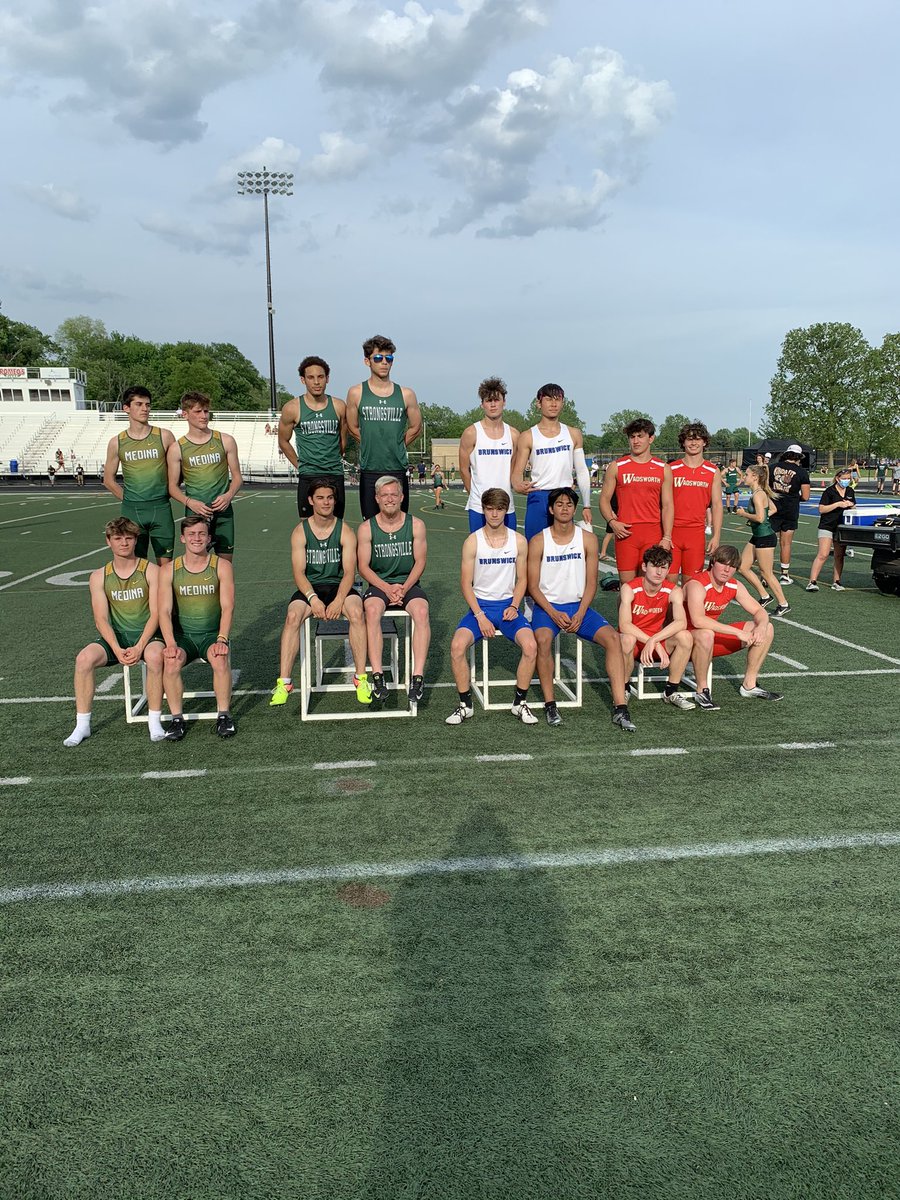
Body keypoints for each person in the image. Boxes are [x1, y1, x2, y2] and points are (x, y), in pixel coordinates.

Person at [527, 487, 633, 731]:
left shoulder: (587, 539)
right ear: (551, 509)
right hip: (548, 609)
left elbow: (592, 583)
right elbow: (532, 586)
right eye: (560, 504)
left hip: (579, 607)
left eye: (569, 504)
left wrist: (581, 612)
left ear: (575, 509)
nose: (564, 508)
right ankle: (550, 704)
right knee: (542, 640)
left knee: (613, 639)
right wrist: (553, 613)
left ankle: (620, 707)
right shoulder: (539, 541)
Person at [270, 479, 372, 707]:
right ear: (310, 501)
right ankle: (284, 682)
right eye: (320, 498)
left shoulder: (345, 530)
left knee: (356, 612)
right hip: (311, 588)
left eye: (330, 497)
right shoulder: (300, 531)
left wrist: (338, 601)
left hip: (339, 586)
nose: (326, 502)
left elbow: (349, 573)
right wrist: (312, 599)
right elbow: (299, 572)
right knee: (292, 616)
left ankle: (361, 678)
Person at [65, 518, 165, 746]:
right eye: (118, 538)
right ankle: (82, 725)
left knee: (154, 657)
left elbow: (157, 614)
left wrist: (139, 646)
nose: (124, 543)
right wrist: (117, 648)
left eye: (129, 538)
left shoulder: (151, 571)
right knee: (84, 659)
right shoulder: (99, 576)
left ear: (136, 540)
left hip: (148, 636)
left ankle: (154, 719)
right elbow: (101, 619)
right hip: (117, 637)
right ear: (108, 541)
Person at [445, 488, 538, 726]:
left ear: (506, 511)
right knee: (456, 646)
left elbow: (523, 579)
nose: (494, 514)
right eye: (489, 509)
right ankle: (465, 705)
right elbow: (465, 583)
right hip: (481, 608)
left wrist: (515, 605)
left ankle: (520, 703)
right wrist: (479, 615)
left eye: (499, 509)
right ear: (483, 510)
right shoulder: (472, 541)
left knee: (530, 645)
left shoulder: (518, 540)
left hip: (508, 607)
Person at [158, 515, 236, 740]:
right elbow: (163, 611)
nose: (197, 538)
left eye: (202, 534)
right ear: (182, 538)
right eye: (191, 534)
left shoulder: (222, 566)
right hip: (183, 636)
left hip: (212, 634)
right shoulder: (170, 570)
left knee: (220, 658)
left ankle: (223, 715)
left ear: (209, 537)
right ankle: (176, 719)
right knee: (171, 662)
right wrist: (171, 643)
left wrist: (222, 638)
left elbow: (228, 606)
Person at [357, 475, 431, 703]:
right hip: (380, 584)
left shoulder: (416, 524)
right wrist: (387, 588)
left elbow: (420, 562)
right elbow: (363, 567)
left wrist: (404, 587)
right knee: (371, 611)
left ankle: (417, 677)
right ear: (377, 498)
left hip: (407, 583)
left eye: (394, 494)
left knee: (421, 611)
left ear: (401, 497)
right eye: (384, 495)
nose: (389, 499)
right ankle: (378, 674)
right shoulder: (366, 528)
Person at [685, 544, 782, 709]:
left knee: (768, 628)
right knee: (705, 633)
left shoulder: (733, 585)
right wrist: (737, 633)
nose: (726, 570)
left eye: (732, 566)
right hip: (684, 640)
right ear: (713, 562)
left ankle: (749, 685)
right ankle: (702, 689)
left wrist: (761, 626)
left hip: (709, 640)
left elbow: (759, 610)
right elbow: (698, 621)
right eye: (723, 564)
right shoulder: (697, 584)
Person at [346, 335, 422, 520]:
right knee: (370, 524)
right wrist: (370, 444)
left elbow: (416, 427)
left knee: (398, 522)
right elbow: (352, 427)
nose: (384, 363)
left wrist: (398, 445)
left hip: (396, 467)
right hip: (370, 468)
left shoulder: (406, 394)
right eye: (378, 358)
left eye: (389, 358)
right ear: (367, 361)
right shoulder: (356, 393)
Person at [103, 386, 175, 562]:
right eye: (139, 404)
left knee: (165, 566)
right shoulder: (117, 442)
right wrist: (130, 500)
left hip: (161, 508)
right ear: (126, 408)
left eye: (148, 405)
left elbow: (178, 472)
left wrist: (168, 492)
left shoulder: (164, 436)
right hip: (132, 510)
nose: (145, 409)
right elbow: (108, 480)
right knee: (136, 565)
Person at [166, 391, 242, 560]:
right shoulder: (177, 448)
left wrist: (228, 495)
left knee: (225, 565)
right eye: (198, 411)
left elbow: (237, 477)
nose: (203, 416)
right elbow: (172, 487)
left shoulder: (225, 440)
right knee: (198, 563)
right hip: (196, 512)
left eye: (206, 411)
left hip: (223, 511)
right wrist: (190, 502)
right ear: (185, 414)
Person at [511, 383, 592, 541]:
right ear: (538, 403)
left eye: (558, 399)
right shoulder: (528, 436)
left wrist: (587, 505)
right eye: (548, 399)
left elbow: (582, 471)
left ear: (563, 402)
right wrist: (517, 485)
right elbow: (516, 473)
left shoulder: (574, 433)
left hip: (564, 496)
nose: (553, 404)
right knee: (535, 546)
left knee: (562, 548)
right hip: (539, 497)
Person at [618, 545, 695, 709]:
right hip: (635, 642)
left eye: (663, 567)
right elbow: (624, 625)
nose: (659, 572)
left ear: (668, 570)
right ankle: (623, 688)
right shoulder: (629, 588)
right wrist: (653, 642)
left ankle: (671, 691)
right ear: (644, 567)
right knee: (627, 639)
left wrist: (654, 640)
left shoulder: (673, 590)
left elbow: (681, 622)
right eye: (654, 566)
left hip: (655, 641)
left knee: (685, 636)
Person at [598, 418, 674, 584]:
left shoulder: (663, 468)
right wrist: (612, 522)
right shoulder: (617, 466)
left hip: (653, 534)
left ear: (651, 438)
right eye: (632, 437)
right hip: (626, 535)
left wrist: (667, 537)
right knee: (627, 588)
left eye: (640, 436)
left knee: (651, 586)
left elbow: (668, 506)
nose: (636, 441)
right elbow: (603, 500)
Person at [278, 356, 348, 518]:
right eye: (311, 377)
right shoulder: (292, 408)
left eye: (320, 377)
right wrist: (300, 465)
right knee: (307, 526)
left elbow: (343, 439)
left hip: (334, 473)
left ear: (327, 379)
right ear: (303, 380)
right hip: (309, 475)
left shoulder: (339, 406)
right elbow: (283, 441)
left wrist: (334, 458)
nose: (316, 382)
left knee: (336, 525)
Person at [459, 376, 519, 532]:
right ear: (482, 404)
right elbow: (464, 469)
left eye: (496, 400)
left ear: (504, 402)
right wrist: (475, 496)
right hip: (479, 506)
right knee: (480, 552)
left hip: (506, 505)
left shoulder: (513, 435)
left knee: (509, 552)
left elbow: (514, 469)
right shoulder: (471, 433)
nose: (493, 404)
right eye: (488, 400)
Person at [668, 422, 722, 581]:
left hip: (696, 535)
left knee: (691, 584)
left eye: (697, 439)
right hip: (672, 534)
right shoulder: (671, 469)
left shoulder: (713, 471)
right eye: (689, 439)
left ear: (704, 442)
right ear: (683, 442)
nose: (693, 443)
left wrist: (716, 535)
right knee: (667, 584)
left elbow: (717, 504)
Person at [738, 465, 790, 614]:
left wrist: (744, 514)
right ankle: (765, 596)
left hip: (765, 537)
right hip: (758, 535)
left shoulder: (758, 495)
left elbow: (760, 518)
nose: (744, 477)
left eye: (746, 474)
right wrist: (756, 519)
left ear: (755, 476)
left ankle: (784, 604)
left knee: (766, 573)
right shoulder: (760, 493)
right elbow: (772, 509)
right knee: (742, 566)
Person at [806, 468, 856, 591]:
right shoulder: (829, 491)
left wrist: (850, 505)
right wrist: (838, 504)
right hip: (827, 525)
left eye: (848, 478)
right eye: (844, 478)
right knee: (823, 554)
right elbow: (821, 509)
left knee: (839, 555)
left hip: (841, 527)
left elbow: (853, 505)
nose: (846, 481)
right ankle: (812, 581)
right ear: (837, 478)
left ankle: (837, 581)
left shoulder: (850, 491)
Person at [769, 445, 810, 584]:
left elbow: (764, 487)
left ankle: (766, 574)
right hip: (790, 509)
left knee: (769, 542)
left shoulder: (772, 467)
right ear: (798, 457)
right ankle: (784, 575)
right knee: (786, 543)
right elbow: (806, 496)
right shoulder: (802, 472)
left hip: (772, 507)